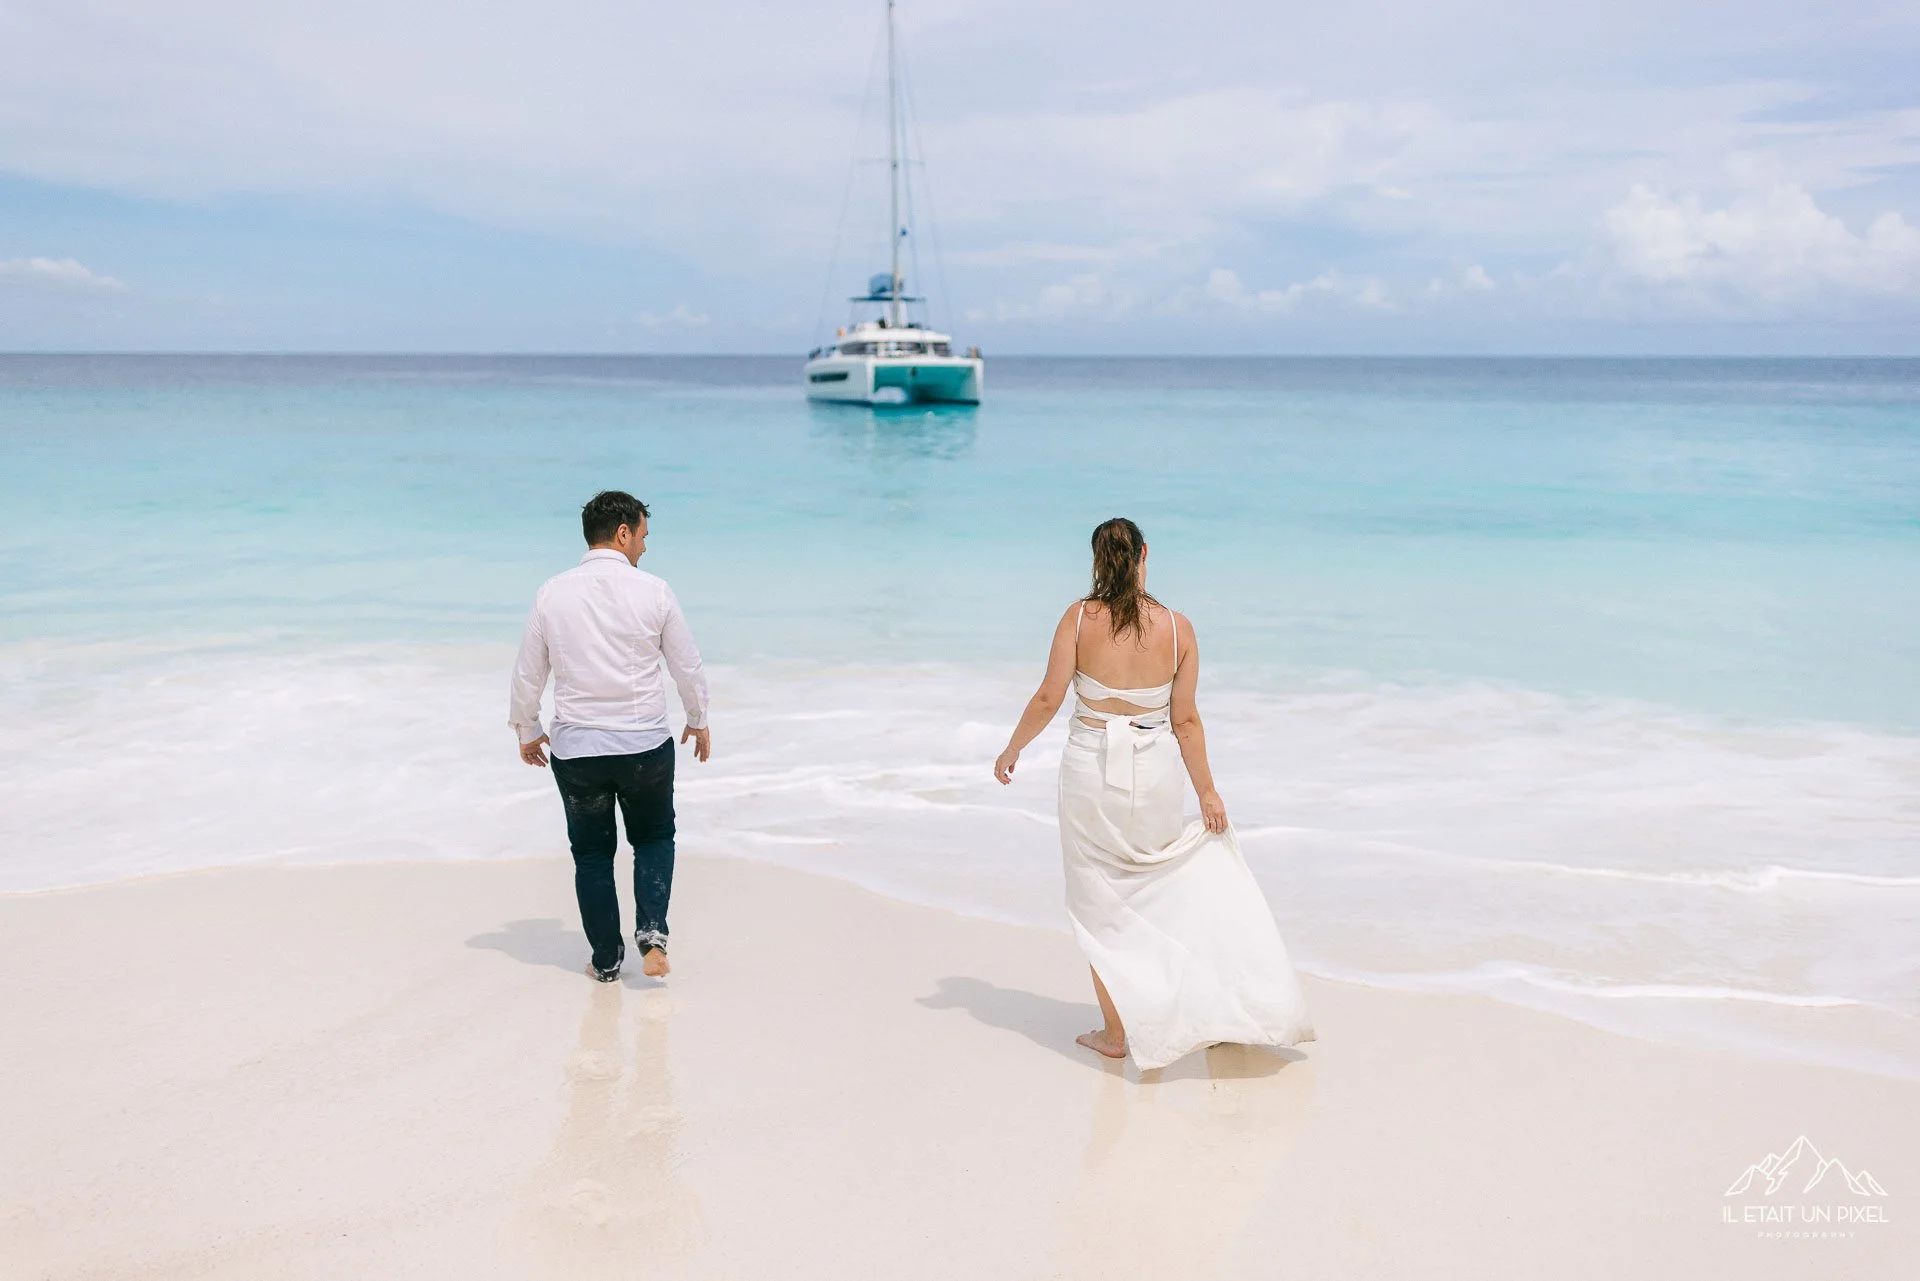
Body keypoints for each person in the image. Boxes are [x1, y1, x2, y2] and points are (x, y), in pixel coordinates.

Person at [993, 518, 1314, 1068]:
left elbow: (1049, 697)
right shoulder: (1177, 629)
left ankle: (1116, 1033)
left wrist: (1012, 748)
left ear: (1095, 559)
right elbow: (1185, 720)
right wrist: (1208, 793)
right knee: (1157, 890)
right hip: (1157, 771)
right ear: (1145, 554)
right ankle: (1190, 1011)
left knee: (1098, 901)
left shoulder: (1078, 619)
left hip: (1091, 770)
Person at [509, 491, 711, 983]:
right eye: (642, 535)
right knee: (654, 836)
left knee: (593, 854)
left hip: (578, 752)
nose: (644, 546)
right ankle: (652, 935)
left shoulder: (552, 592)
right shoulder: (654, 591)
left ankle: (605, 960)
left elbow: (528, 672)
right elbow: (686, 664)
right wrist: (698, 717)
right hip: (644, 748)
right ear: (623, 533)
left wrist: (528, 729)